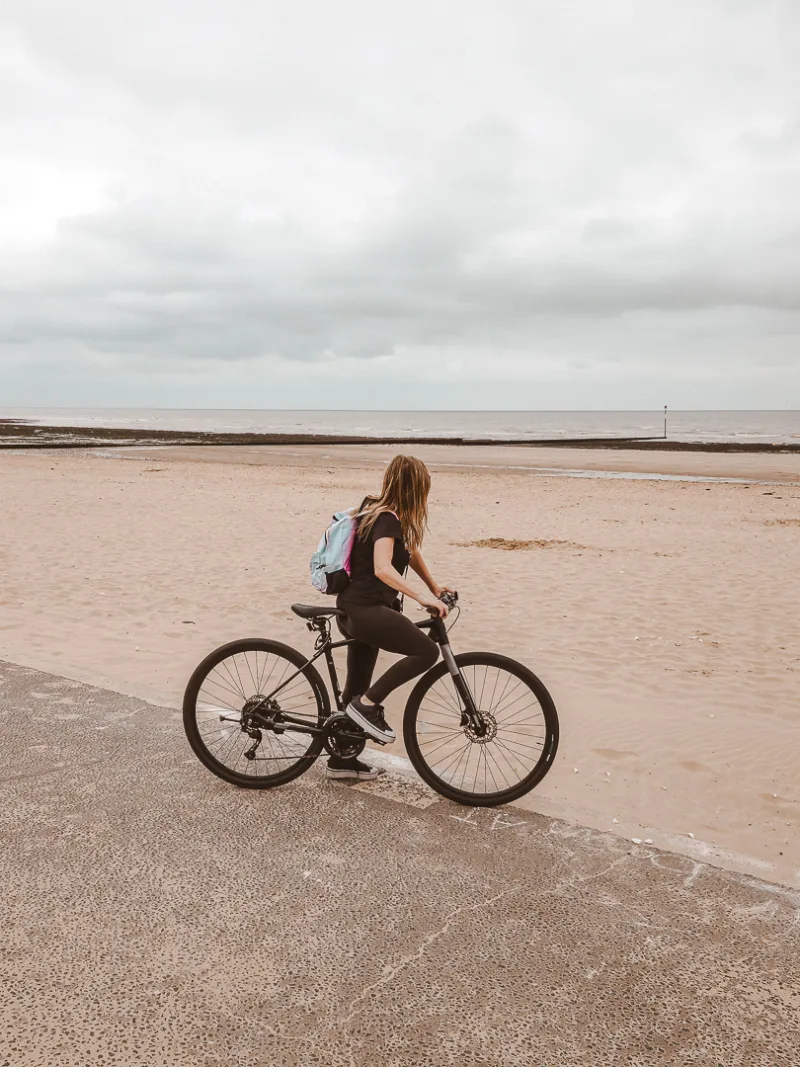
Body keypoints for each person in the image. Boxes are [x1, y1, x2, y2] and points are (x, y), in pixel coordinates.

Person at [325, 455, 454, 782]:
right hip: (367, 611)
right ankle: (367, 706)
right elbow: (384, 567)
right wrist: (423, 598)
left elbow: (409, 551)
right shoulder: (387, 518)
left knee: (355, 686)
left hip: (353, 609)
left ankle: (342, 759)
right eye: (425, 487)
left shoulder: (375, 511)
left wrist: (434, 586)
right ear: (414, 487)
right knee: (426, 651)